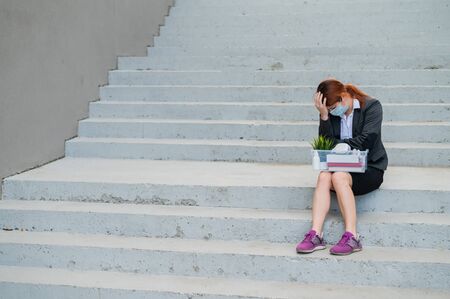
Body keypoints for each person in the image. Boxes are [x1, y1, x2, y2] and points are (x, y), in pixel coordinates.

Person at [296, 78, 388, 255]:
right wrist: (324, 116)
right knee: (324, 176)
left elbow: (368, 139)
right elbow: (326, 144)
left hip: (370, 168)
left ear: (344, 96)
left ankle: (352, 236)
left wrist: (343, 145)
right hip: (341, 165)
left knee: (338, 176)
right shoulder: (330, 113)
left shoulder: (372, 106)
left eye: (332, 108)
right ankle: (316, 235)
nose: (332, 112)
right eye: (328, 110)